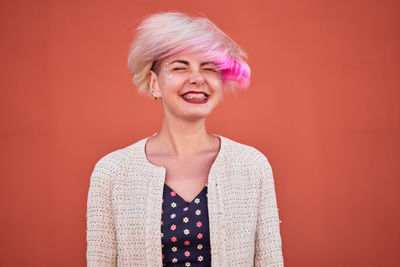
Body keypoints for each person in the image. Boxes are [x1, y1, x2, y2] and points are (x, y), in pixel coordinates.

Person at [86, 11, 284, 267]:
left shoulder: (252, 166)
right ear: (154, 83)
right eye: (180, 67)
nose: (197, 78)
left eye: (208, 68)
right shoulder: (112, 172)